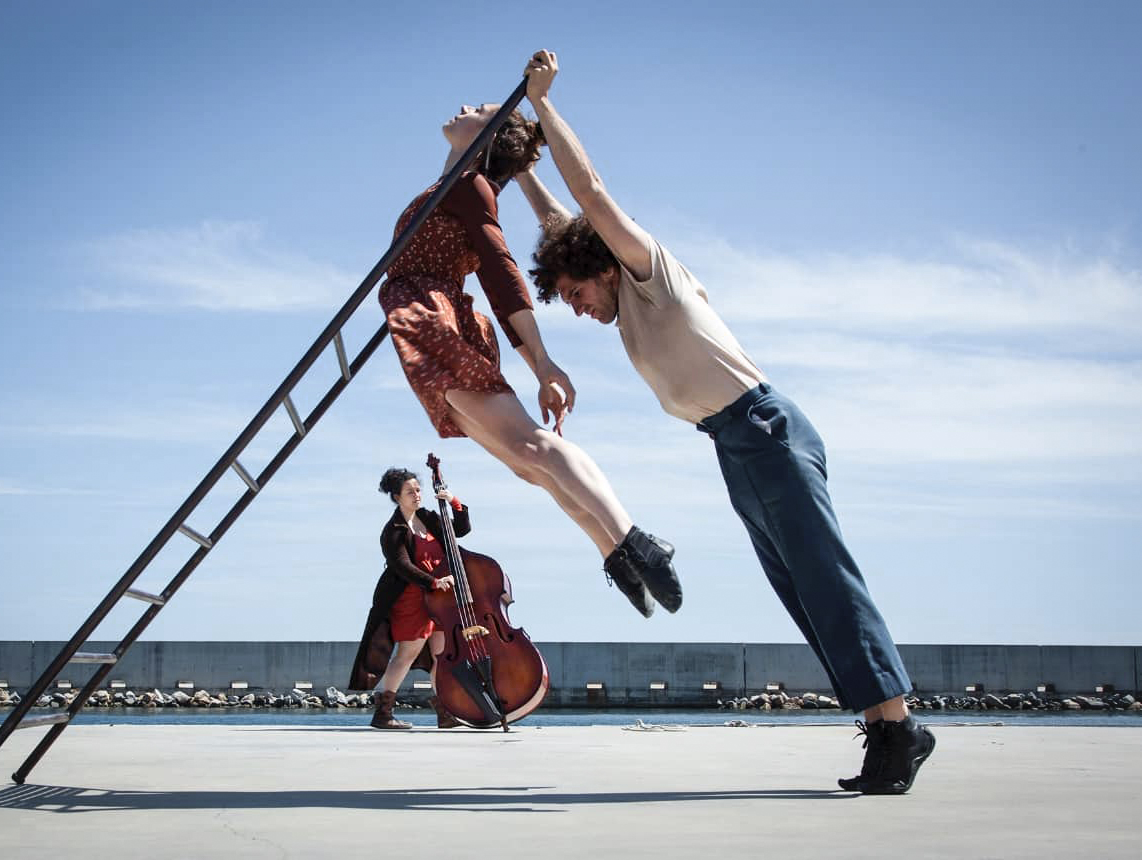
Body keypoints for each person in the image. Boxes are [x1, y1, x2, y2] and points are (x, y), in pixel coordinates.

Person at [514, 50, 935, 795]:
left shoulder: (650, 276)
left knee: (828, 580)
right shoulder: (619, 301)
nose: (575, 309)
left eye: (576, 294)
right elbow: (560, 222)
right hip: (733, 445)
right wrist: (520, 168)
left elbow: (590, 196)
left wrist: (543, 107)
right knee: (802, 592)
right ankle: (887, 727)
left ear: (604, 265)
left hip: (766, 429)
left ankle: (897, 730)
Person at [376, 101, 680, 617]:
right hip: (422, 322)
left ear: (492, 137)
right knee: (526, 464)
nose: (466, 106)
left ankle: (634, 541)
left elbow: (500, 272)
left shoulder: (471, 187)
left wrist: (542, 363)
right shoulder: (456, 185)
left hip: (434, 322)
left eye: (481, 109)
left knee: (533, 446)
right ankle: (615, 554)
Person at [349, 467, 462, 730]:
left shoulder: (429, 518)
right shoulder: (393, 530)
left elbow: (460, 530)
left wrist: (453, 502)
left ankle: (445, 713)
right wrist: (433, 581)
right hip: (411, 598)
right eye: (410, 491)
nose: (417, 495)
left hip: (438, 598)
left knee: (440, 655)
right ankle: (383, 713)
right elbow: (402, 566)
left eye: (418, 490)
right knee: (407, 654)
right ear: (397, 497)